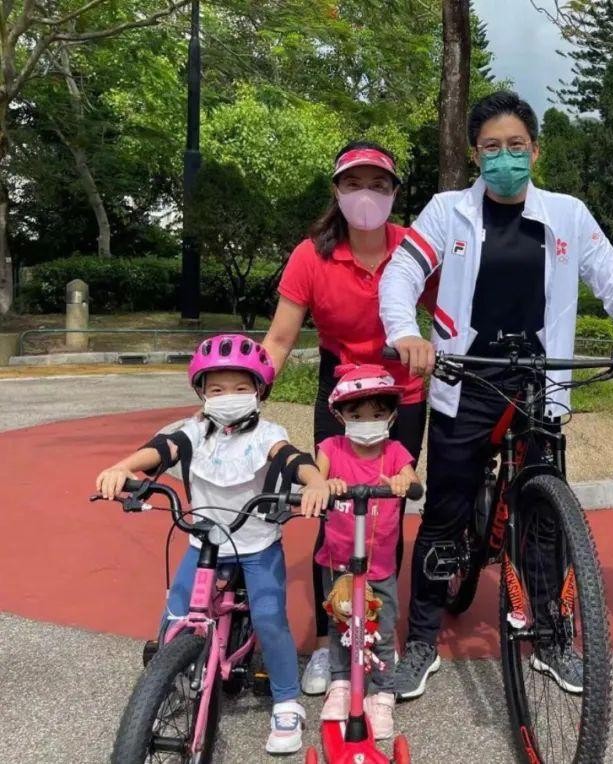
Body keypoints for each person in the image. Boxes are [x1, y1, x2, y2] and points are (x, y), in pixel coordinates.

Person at [379, 90, 613, 699]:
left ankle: (552, 635)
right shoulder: (446, 211)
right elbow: (402, 272)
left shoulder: (568, 213)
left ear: (534, 149)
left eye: (516, 146)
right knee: (445, 513)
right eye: (491, 148)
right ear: (474, 154)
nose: (504, 158)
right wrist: (406, 333)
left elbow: (611, 276)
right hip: (467, 376)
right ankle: (422, 640)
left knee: (545, 517)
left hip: (539, 379)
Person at [94, 334, 333, 754]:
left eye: (241, 388)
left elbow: (293, 460)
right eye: (217, 389)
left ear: (259, 391)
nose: (229, 397)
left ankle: (286, 699)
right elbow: (161, 450)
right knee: (174, 613)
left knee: (269, 617)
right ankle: (174, 674)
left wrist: (315, 484)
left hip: (256, 544)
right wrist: (122, 468)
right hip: (203, 541)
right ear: (201, 392)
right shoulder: (193, 432)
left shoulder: (266, 434)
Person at [263, 141, 433, 696]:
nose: (367, 195)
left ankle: (382, 630)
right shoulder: (311, 255)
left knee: (388, 504)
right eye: (355, 183)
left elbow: (450, 316)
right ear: (337, 192)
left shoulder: (412, 248)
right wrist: (242, 400)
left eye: (379, 185)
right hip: (339, 391)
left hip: (401, 392)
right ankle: (326, 643)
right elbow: (280, 339)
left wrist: (437, 348)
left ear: (394, 195)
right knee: (330, 506)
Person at [306, 364, 418, 739]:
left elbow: (413, 480)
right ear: (340, 416)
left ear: (391, 415)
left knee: (381, 629)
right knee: (341, 624)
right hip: (337, 561)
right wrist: (324, 485)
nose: (367, 422)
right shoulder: (331, 448)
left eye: (376, 414)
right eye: (356, 415)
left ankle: (382, 692)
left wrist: (405, 481)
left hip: (379, 564)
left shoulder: (396, 452)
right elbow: (316, 478)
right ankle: (340, 682)